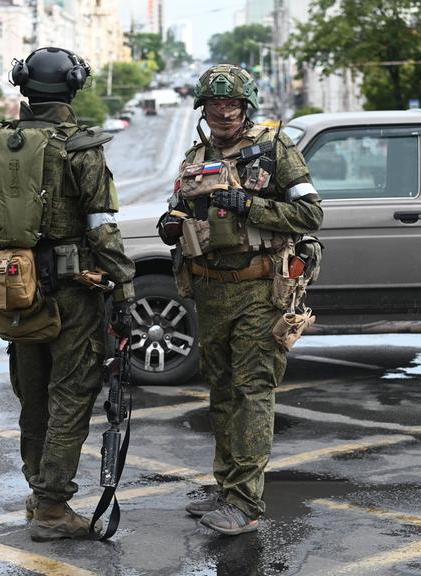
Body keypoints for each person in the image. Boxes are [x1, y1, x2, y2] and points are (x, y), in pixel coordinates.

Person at [0, 46, 135, 541]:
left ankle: (39, 493)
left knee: (31, 397)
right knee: (71, 396)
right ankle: (54, 510)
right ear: (74, 87)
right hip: (75, 295)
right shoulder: (81, 147)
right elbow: (103, 231)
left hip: (18, 292)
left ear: (23, 85)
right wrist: (124, 293)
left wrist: (9, 260)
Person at [157, 64, 323, 535]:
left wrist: (249, 205)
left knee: (252, 391)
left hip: (259, 289)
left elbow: (311, 213)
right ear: (203, 109)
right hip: (209, 289)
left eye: (232, 104)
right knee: (222, 391)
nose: (223, 112)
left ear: (246, 106)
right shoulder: (196, 155)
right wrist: (170, 223)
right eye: (214, 104)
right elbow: (180, 208)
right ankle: (229, 487)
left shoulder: (275, 149)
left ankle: (245, 504)